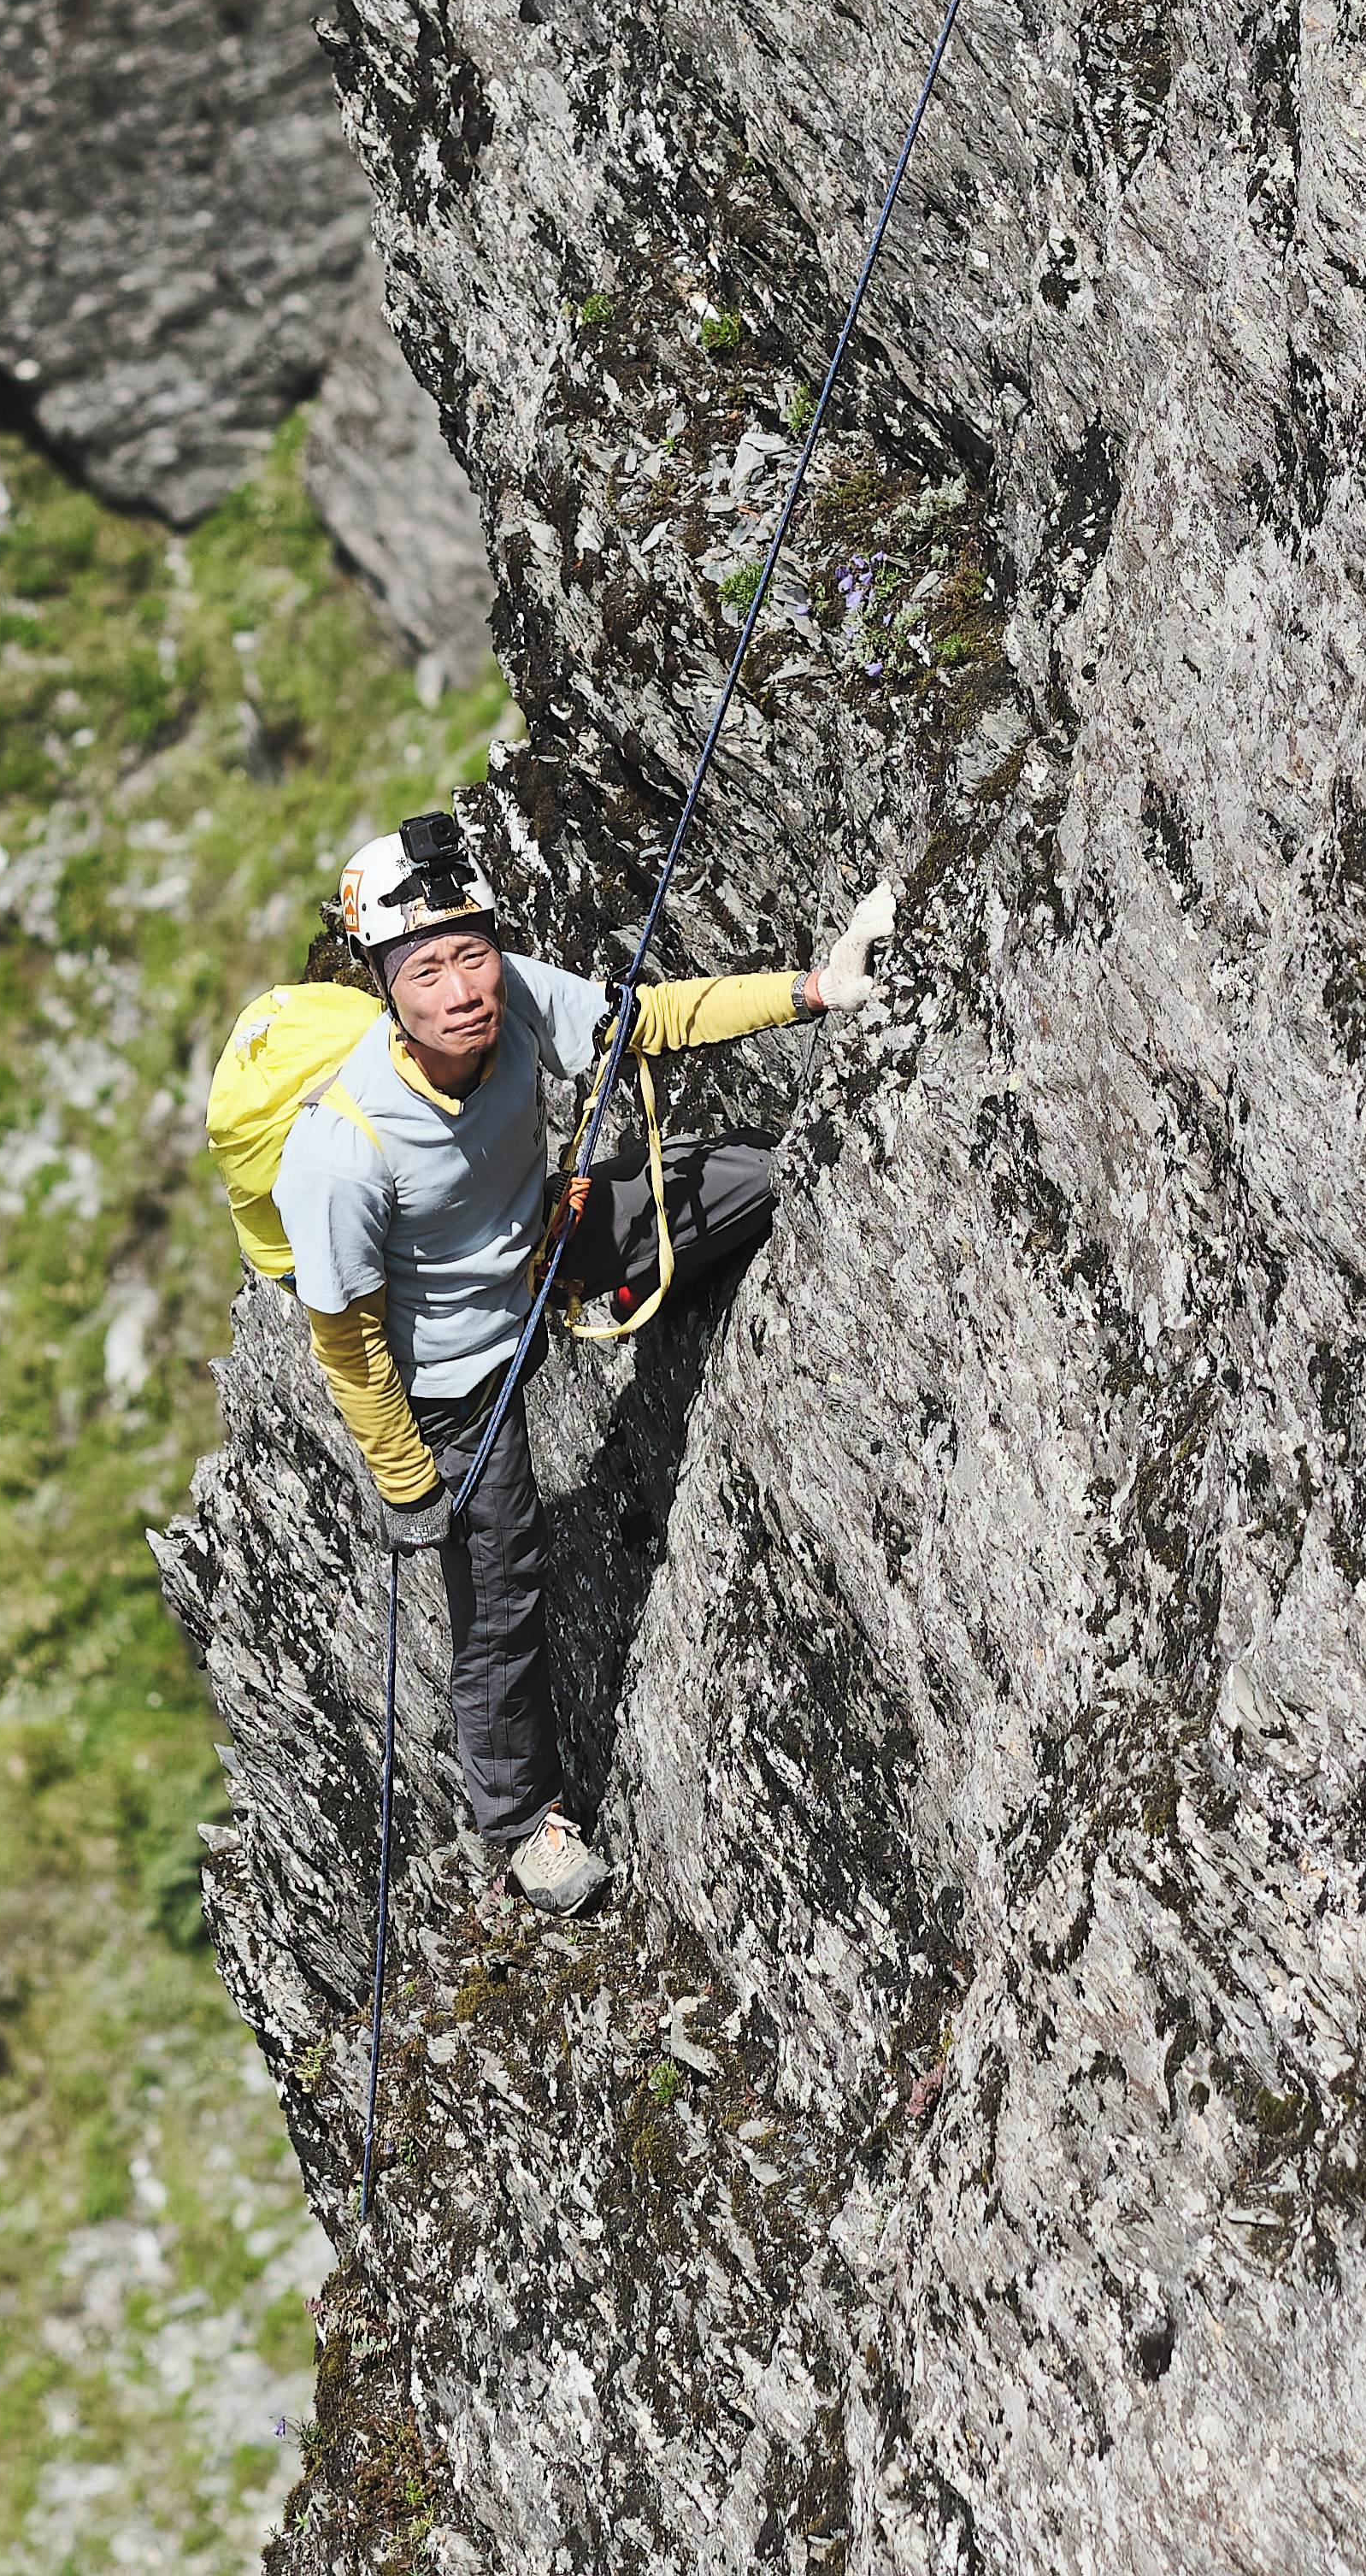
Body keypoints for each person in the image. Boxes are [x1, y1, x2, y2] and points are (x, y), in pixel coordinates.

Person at [277, 811, 896, 1915]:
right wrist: (407, 1479)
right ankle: (524, 1824)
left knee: (758, 1172)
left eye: (472, 951)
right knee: (501, 1597)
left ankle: (648, 1288)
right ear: (386, 988)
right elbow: (348, 1338)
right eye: (429, 969)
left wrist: (813, 990)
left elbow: (648, 1021)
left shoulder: (512, 1001)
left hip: (549, 1244)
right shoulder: (343, 1146)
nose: (464, 987)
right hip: (460, 1385)